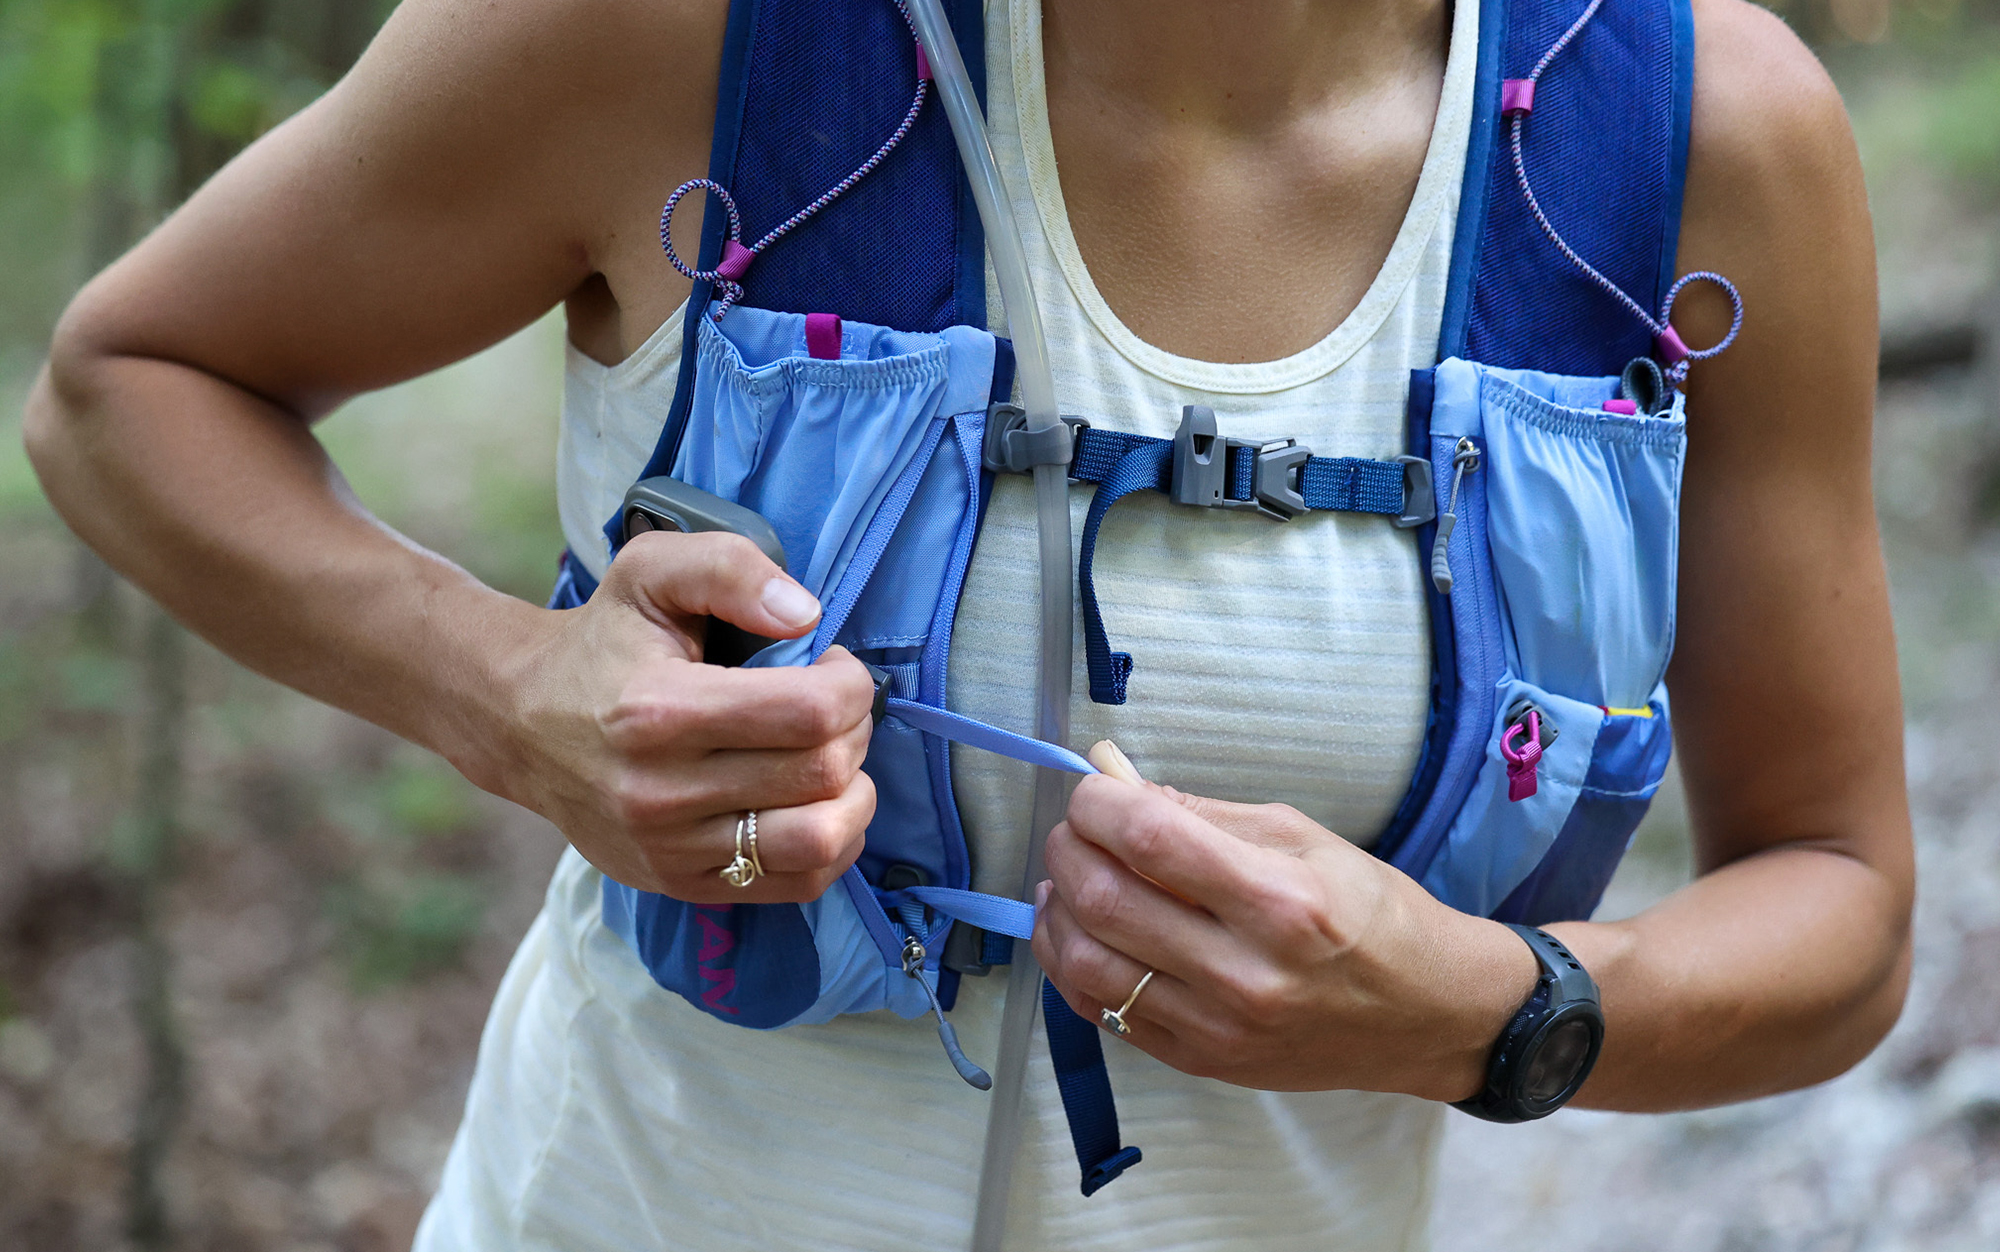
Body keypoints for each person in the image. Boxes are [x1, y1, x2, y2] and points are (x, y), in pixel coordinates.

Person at [24, 0, 1911, 1247]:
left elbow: (1840, 899)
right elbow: (127, 384)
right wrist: (511, 693)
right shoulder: (688, 37)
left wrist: (1487, 1013)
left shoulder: (1686, 137)